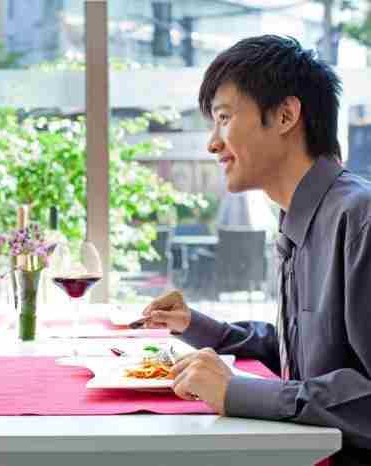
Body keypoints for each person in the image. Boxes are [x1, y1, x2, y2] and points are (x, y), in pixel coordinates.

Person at [135, 36, 371, 465]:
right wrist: (198, 326)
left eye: (224, 118)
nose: (212, 143)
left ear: (285, 115)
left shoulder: (359, 219)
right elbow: (301, 354)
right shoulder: (298, 215)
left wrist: (239, 391)